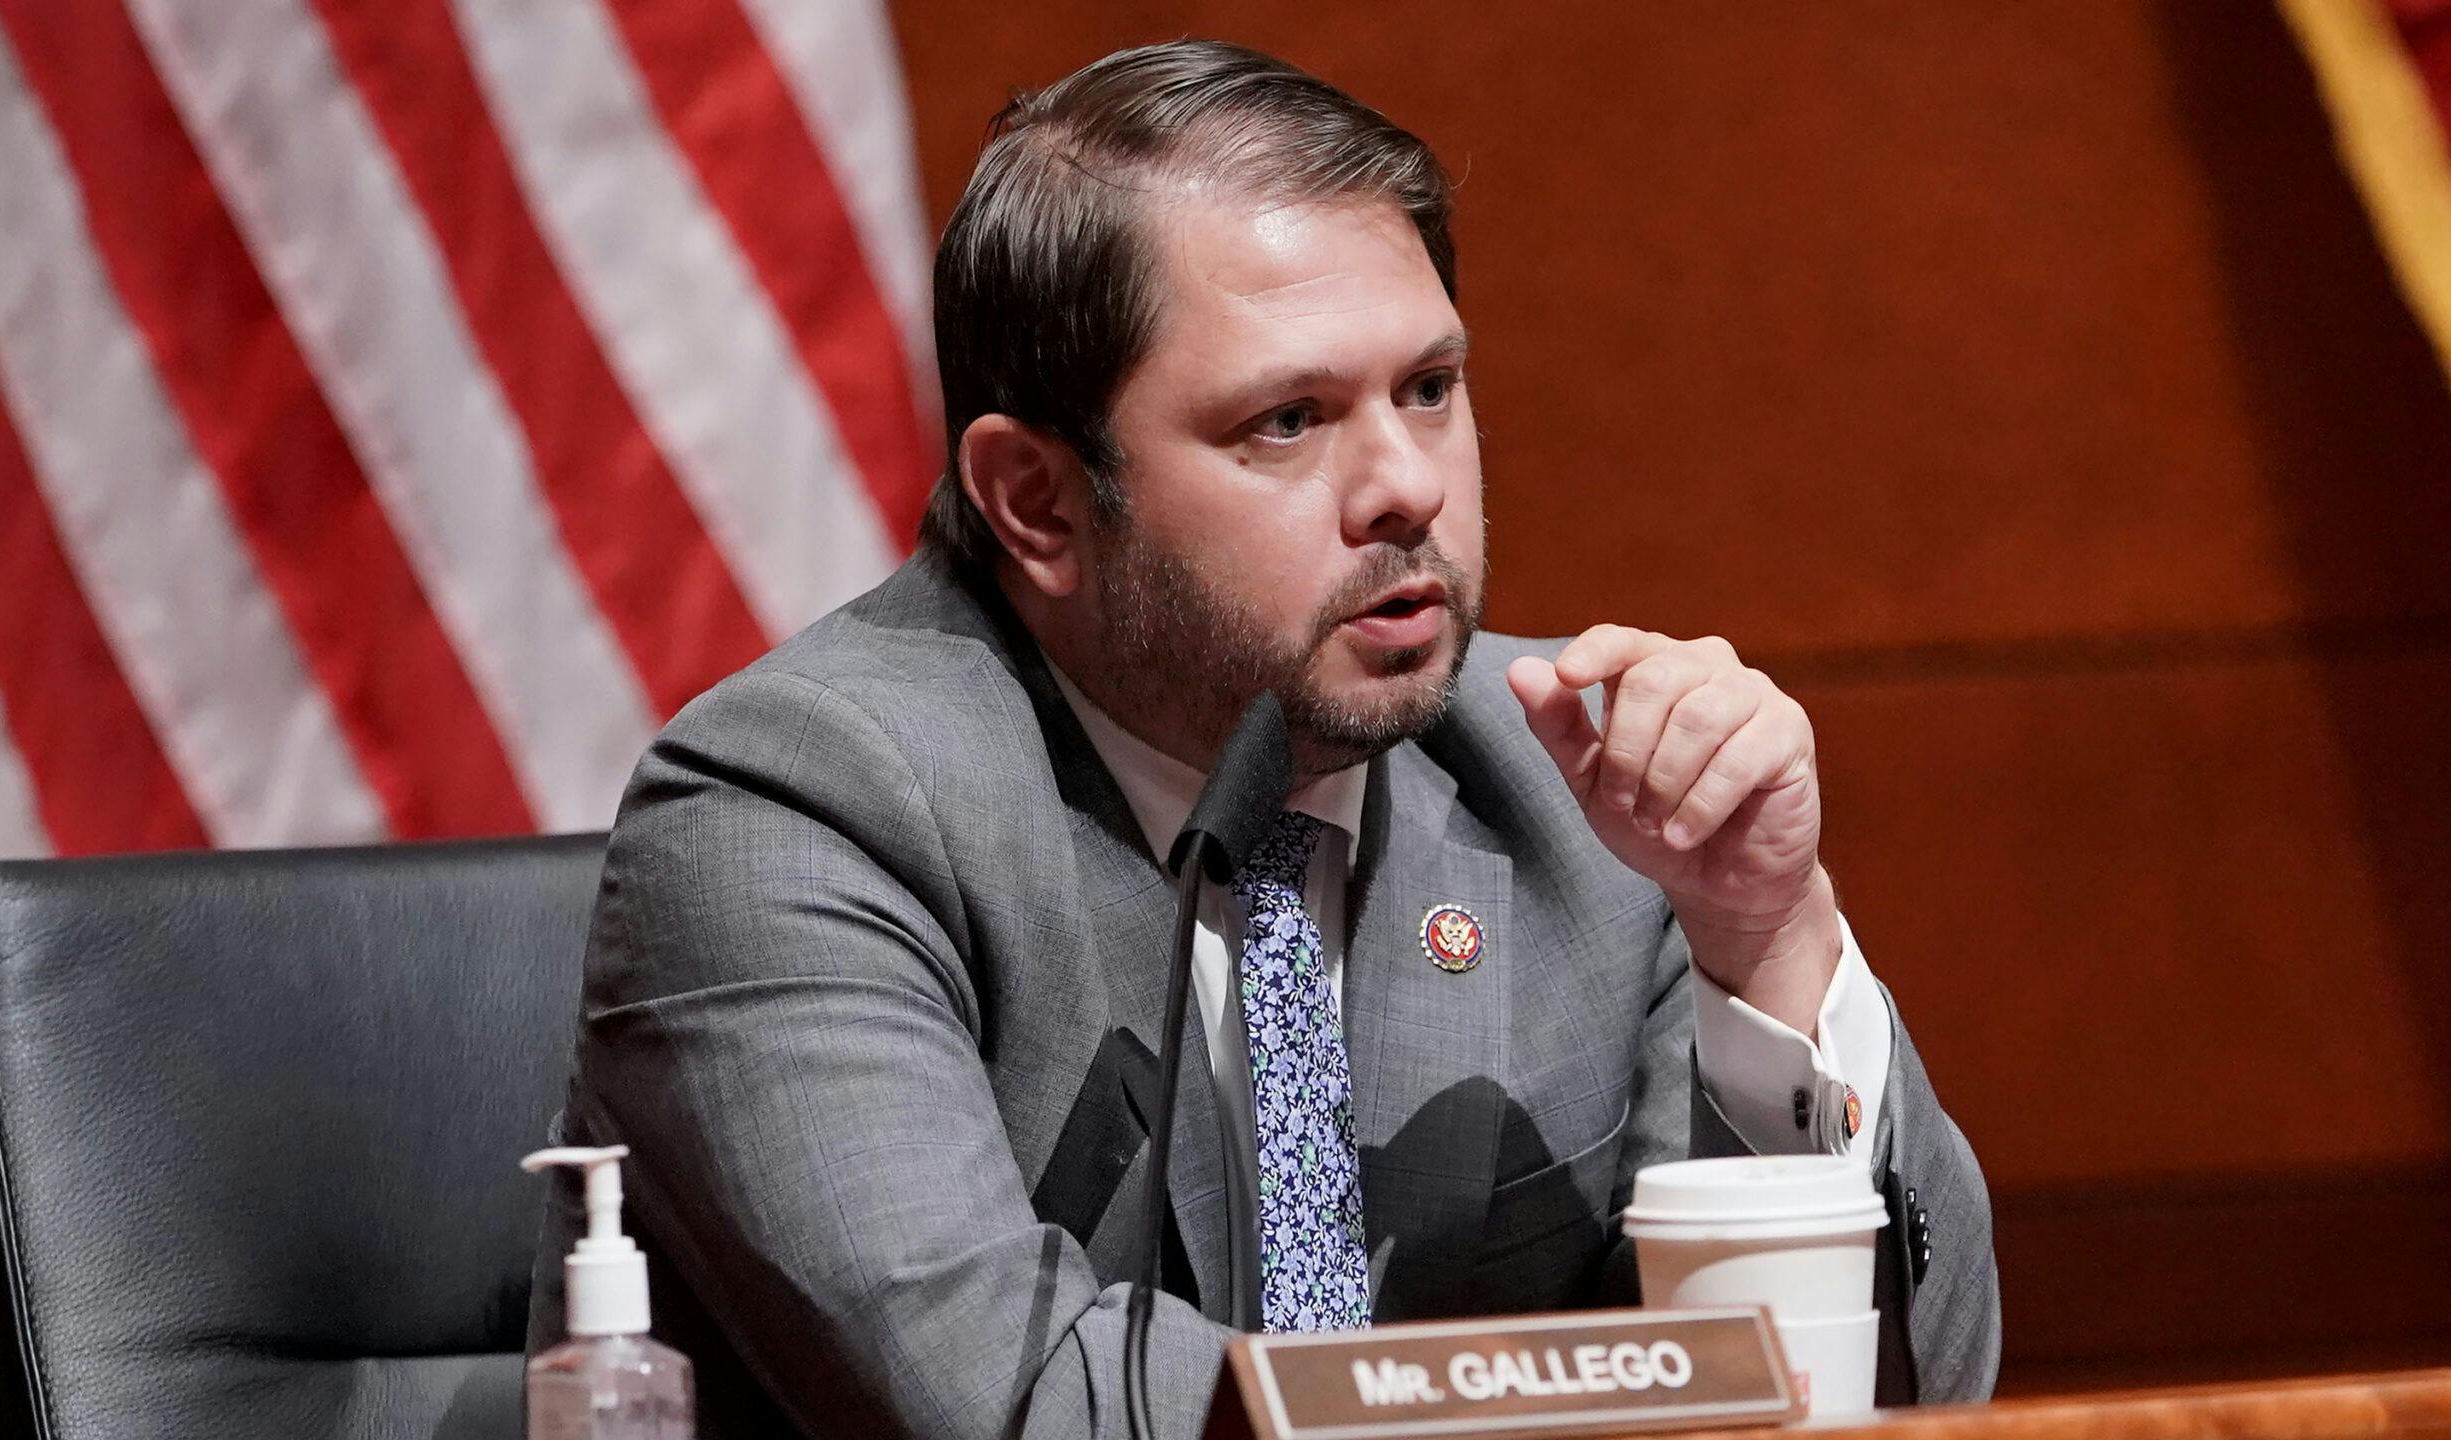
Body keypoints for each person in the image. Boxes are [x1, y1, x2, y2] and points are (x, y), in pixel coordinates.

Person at [530, 38, 2001, 1439]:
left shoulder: (1582, 784)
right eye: (1288, 421)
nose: (1405, 487)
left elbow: (1906, 1392)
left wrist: (1773, 939)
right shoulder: (798, 815)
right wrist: (1559, 1397)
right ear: (1039, 502)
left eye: (1430, 388)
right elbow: (1016, 1407)